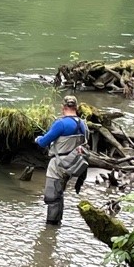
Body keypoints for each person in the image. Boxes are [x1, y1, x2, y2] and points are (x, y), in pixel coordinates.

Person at [34, 95, 90, 227]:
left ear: (63, 107)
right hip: (74, 164)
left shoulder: (61, 123)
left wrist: (38, 139)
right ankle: (57, 223)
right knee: (59, 194)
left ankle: (51, 226)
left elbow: (43, 143)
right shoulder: (82, 124)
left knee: (52, 196)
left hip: (58, 164)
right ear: (76, 108)